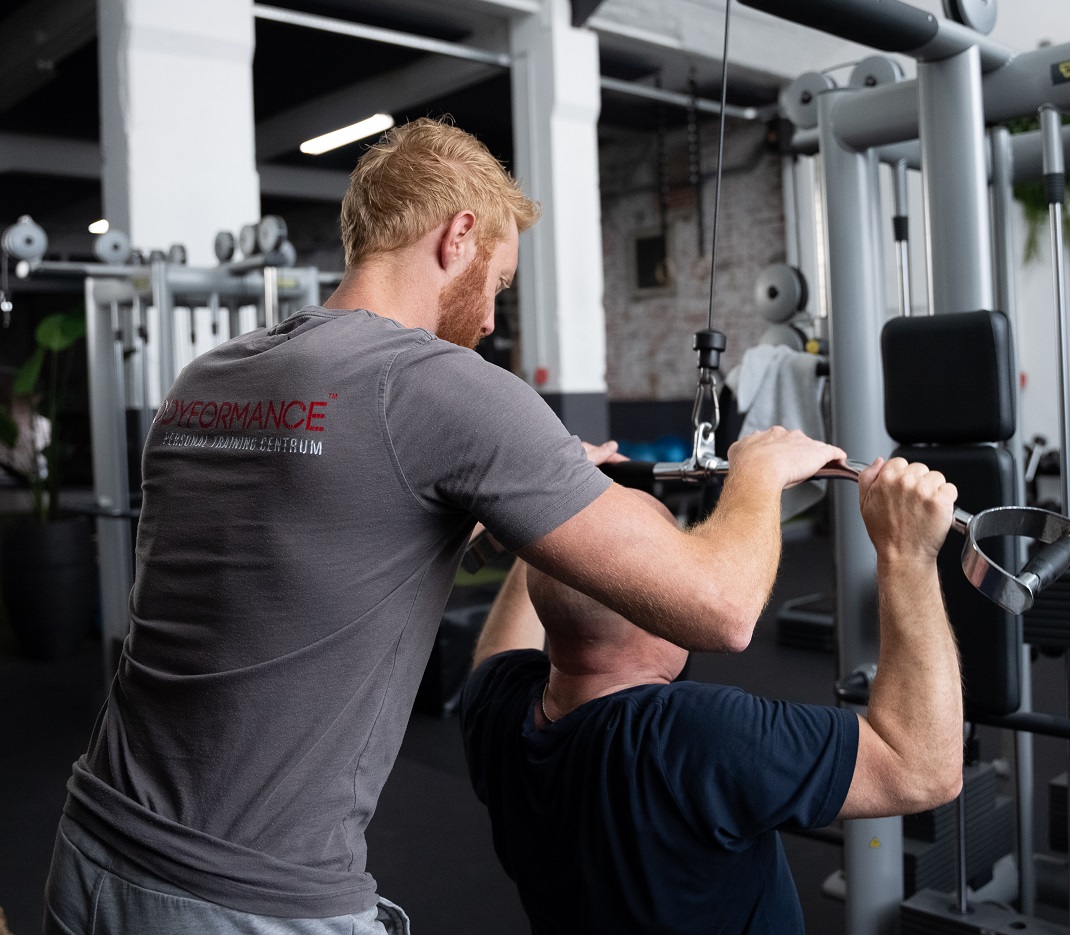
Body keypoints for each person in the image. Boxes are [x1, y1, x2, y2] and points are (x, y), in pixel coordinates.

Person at [43, 117, 843, 934]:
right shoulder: (440, 384)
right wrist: (759, 472)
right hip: (248, 899)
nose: (491, 318)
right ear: (459, 236)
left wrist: (532, 495)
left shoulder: (206, 380)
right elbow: (721, 608)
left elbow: (308, 542)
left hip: (92, 849)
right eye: (498, 283)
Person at [461, 458, 965, 935]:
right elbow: (922, 771)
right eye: (681, 553)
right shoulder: (686, 736)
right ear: (663, 608)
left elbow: (498, 649)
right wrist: (907, 555)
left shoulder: (497, 704)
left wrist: (549, 522)